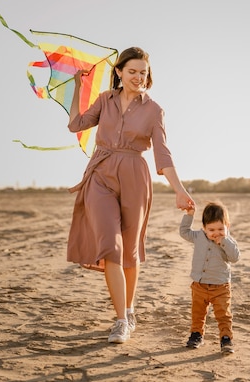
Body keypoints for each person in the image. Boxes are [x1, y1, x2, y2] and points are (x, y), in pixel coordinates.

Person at [66, 47, 195, 344]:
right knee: (111, 245)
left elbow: (162, 156)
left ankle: (129, 308)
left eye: (144, 73)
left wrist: (180, 190)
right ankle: (121, 321)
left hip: (135, 177)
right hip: (100, 175)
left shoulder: (154, 111)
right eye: (133, 71)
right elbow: (76, 124)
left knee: (129, 252)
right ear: (119, 72)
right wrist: (77, 88)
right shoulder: (104, 100)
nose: (138, 77)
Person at [179, 201, 240, 354]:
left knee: (223, 314)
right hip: (199, 285)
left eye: (220, 229)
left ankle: (226, 338)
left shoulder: (229, 241)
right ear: (204, 228)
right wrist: (189, 215)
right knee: (198, 313)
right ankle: (196, 334)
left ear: (227, 226)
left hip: (220, 286)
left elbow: (234, 258)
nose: (216, 233)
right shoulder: (198, 236)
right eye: (211, 229)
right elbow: (184, 232)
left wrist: (224, 241)